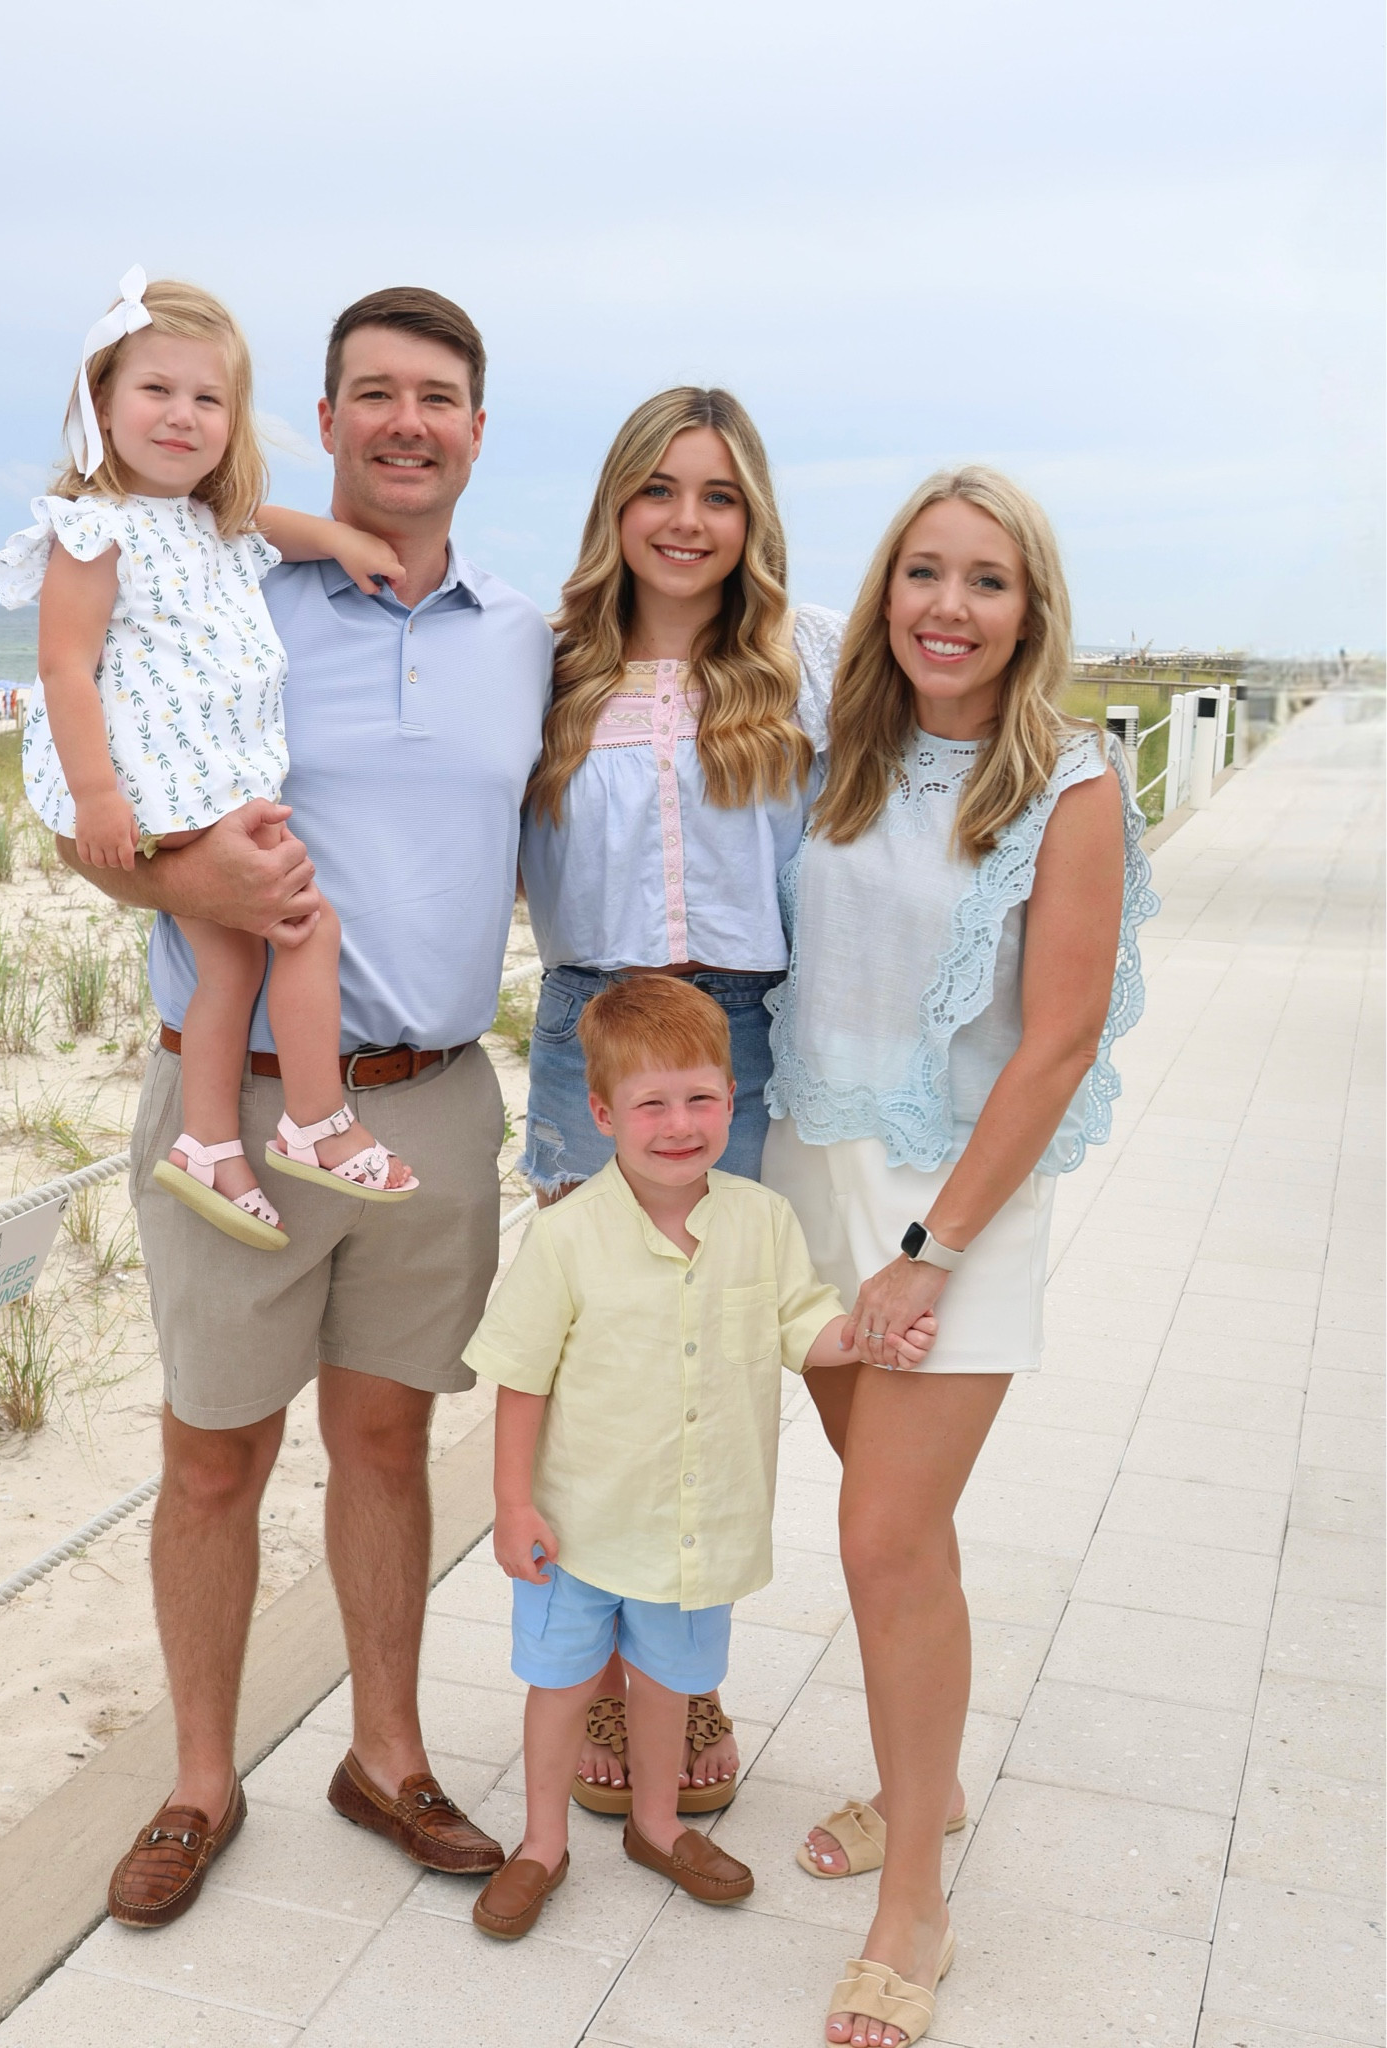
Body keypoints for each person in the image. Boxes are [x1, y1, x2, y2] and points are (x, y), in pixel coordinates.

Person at [55, 285, 553, 1926]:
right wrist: (192, 871)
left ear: (479, 429)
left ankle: (386, 1753)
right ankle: (201, 1779)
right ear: (323, 424)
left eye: (439, 396)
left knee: (388, 1441)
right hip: (240, 1096)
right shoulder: (227, 593)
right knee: (214, 1453)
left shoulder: (526, 638)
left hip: (433, 1099)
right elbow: (81, 804)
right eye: (373, 394)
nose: (407, 421)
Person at [761, 466, 1157, 2047]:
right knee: (895, 1535)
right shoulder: (829, 752)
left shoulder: (1067, 779)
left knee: (880, 1539)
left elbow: (1055, 1043)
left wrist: (929, 1251)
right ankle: (918, 1785)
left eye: (984, 580)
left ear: (1029, 610)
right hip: (811, 1169)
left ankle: (910, 1898)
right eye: (920, 572)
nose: (946, 605)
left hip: (954, 1206)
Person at [518, 385, 844, 1815]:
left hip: (741, 1034)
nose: (686, 520)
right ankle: (587, 1673)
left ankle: (684, 1675)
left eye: (716, 494)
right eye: (658, 489)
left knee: (707, 1354)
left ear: (749, 517)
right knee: (602, 1358)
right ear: (616, 507)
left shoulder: (805, 667)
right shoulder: (542, 667)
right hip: (587, 1020)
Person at [462, 977, 935, 1940]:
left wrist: (871, 1335)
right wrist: (513, 1505)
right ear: (601, 1113)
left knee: (672, 1683)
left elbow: (805, 1326)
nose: (679, 1125)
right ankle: (542, 1844)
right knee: (560, 1686)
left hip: (696, 1521)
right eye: (651, 1104)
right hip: (580, 1524)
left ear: (734, 1098)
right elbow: (521, 1378)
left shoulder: (761, 1220)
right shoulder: (565, 1238)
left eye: (701, 1099)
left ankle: (656, 1823)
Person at [0, 271, 418, 1251]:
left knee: (228, 958)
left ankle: (208, 1140)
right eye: (156, 390)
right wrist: (97, 799)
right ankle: (317, 1119)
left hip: (208, 779)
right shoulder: (93, 530)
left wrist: (348, 540)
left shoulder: (209, 522)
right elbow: (63, 664)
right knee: (305, 922)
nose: (182, 415)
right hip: (155, 784)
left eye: (208, 398)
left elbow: (275, 526)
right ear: (101, 401)